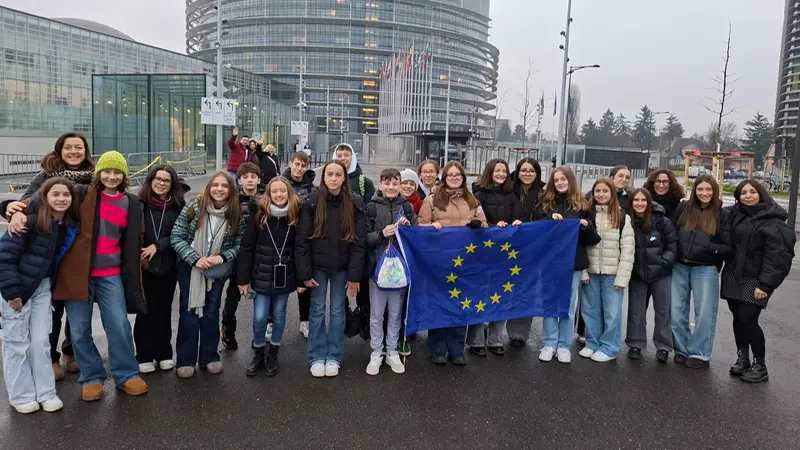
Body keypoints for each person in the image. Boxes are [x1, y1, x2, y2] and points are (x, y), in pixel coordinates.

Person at [7, 151, 149, 401]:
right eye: (107, 171)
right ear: (99, 173)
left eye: (117, 172)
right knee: (80, 328)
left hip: (111, 273)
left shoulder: (131, 203)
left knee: (119, 324)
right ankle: (92, 376)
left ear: (125, 175)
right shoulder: (82, 194)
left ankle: (126, 373)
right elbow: (44, 200)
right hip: (77, 272)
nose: (112, 176)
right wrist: (12, 210)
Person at [1, 132, 95, 380]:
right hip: (50, 254)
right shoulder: (45, 177)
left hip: (79, 255)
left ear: (86, 151)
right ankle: (51, 357)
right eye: (68, 147)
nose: (74, 151)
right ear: (59, 151)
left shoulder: (95, 178)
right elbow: (23, 205)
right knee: (53, 309)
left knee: (77, 308)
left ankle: (70, 351)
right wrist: (10, 209)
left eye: (79, 147)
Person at [0, 177, 80, 413]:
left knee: (40, 341)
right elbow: (4, 258)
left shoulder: (66, 224)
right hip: (17, 290)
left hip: (43, 287)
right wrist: (13, 293)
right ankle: (20, 394)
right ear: (44, 197)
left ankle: (45, 392)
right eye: (55, 194)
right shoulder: (28, 222)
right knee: (17, 343)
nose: (61, 199)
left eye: (66, 195)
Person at [295, 160, 367, 378]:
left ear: (344, 177)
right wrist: (303, 275)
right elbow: (302, 241)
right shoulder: (312, 202)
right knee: (316, 310)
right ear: (323, 177)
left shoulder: (354, 203)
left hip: (342, 268)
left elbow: (359, 242)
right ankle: (317, 356)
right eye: (329, 175)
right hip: (317, 268)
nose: (333, 179)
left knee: (337, 311)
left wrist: (354, 276)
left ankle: (334, 355)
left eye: (338, 174)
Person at [171, 172, 244, 378]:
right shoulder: (195, 206)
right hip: (190, 267)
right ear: (209, 187)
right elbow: (177, 236)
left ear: (231, 189)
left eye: (224, 186)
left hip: (216, 270)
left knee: (211, 311)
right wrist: (193, 257)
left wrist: (222, 257)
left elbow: (241, 244)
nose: (219, 189)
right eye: (215, 185)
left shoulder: (235, 212)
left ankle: (210, 356)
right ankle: (185, 360)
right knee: (189, 311)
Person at [721, 180, 795, 383]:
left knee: (749, 319)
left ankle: (760, 365)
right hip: (734, 275)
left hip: (756, 279)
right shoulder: (735, 214)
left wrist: (765, 285)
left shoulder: (773, 221)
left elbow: (778, 257)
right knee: (738, 317)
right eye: (743, 192)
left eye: (752, 192)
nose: (748, 195)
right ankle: (743, 358)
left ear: (761, 194)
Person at [418, 161, 488, 366]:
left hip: (466, 263)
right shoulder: (432, 200)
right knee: (439, 304)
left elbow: (485, 225)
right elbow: (420, 225)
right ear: (445, 178)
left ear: (463, 178)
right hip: (440, 262)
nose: (455, 178)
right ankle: (438, 348)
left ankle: (457, 349)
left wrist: (480, 226)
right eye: (451, 175)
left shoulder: (473, 201)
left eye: (458, 175)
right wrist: (432, 226)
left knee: (461, 306)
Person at [238, 177, 303, 377]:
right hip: (261, 275)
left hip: (285, 275)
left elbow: (301, 248)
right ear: (268, 194)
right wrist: (243, 279)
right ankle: (258, 352)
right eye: (274, 191)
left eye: (283, 191)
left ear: (289, 192)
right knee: (259, 318)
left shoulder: (296, 215)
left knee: (280, 316)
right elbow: (247, 247)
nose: (279, 194)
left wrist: (301, 279)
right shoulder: (259, 215)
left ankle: (273, 352)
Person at [536, 167, 600, 362]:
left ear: (571, 180)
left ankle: (564, 345)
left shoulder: (583, 205)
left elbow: (593, 238)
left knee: (568, 305)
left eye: (563, 179)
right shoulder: (546, 204)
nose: (560, 183)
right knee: (549, 304)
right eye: (556, 180)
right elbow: (537, 231)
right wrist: (549, 220)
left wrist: (585, 226)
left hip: (572, 263)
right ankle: (549, 343)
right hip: (550, 263)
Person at [671, 175, 731, 368]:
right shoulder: (683, 208)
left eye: (708, 189)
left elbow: (728, 246)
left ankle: (700, 353)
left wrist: (710, 248)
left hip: (705, 268)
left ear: (714, 191)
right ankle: (681, 349)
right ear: (694, 190)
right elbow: (671, 232)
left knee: (704, 312)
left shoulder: (723, 214)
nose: (704, 193)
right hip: (679, 266)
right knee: (676, 310)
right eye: (700, 189)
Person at [364, 168, 418, 375]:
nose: (391, 187)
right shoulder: (370, 208)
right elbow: (364, 238)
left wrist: (407, 228)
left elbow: (417, 236)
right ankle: (376, 351)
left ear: (400, 185)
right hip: (377, 270)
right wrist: (381, 234)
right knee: (377, 315)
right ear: (381, 185)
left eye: (395, 183)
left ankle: (392, 351)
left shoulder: (407, 207)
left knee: (395, 314)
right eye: (387, 183)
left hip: (400, 271)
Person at [134, 165, 187, 373]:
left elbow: (182, 234)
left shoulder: (178, 206)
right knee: (145, 311)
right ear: (150, 180)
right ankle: (144, 354)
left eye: (166, 180)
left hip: (168, 266)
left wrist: (159, 245)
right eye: (158, 179)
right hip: (144, 267)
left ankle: (164, 352)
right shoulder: (138, 204)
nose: (161, 183)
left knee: (164, 310)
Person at [467, 158, 522, 357]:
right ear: (489, 172)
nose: (500, 174)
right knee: (480, 296)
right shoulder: (478, 195)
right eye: (497, 171)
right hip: (483, 253)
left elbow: (519, 218)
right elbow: (474, 221)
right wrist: (491, 227)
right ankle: (476, 340)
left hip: (505, 254)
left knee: (502, 295)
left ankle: (495, 338)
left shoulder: (512, 195)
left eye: (504, 171)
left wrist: (516, 223)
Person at [579, 178, 635, 362]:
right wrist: (584, 272)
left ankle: (609, 348)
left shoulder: (622, 217)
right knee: (589, 310)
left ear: (612, 194)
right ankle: (592, 343)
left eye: (605, 191)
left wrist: (622, 278)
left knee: (612, 313)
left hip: (613, 275)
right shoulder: (587, 216)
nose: (601, 194)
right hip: (591, 272)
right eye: (598, 191)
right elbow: (580, 247)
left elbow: (628, 250)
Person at [625, 188, 677, 363]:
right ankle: (635, 343)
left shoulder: (662, 221)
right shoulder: (627, 221)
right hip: (637, 273)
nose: (640, 204)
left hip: (660, 273)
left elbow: (672, 245)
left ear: (649, 202)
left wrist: (664, 262)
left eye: (643, 200)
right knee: (636, 310)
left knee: (663, 310)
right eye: (636, 200)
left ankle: (663, 347)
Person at [221, 163, 263, 350]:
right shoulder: (233, 201)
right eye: (245, 177)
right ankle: (228, 330)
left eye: (253, 176)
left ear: (259, 179)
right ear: (239, 180)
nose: (249, 180)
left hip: (260, 254)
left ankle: (261, 335)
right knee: (233, 295)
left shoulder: (265, 199)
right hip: (237, 254)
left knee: (262, 296)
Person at [505, 157, 546, 347]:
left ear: (537, 173)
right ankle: (494, 326)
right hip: (507, 249)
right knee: (503, 289)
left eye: (531, 170)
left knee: (525, 290)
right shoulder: (508, 190)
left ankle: (518, 333)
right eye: (524, 170)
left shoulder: (545, 195)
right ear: (518, 172)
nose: (527, 174)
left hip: (532, 250)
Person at [334, 143, 375, 319]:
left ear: (353, 157)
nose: (343, 158)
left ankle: (364, 320)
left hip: (358, 240)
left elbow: (370, 211)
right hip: (336, 241)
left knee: (361, 283)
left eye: (346, 155)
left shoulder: (364, 182)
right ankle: (343, 319)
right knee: (338, 285)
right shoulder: (330, 180)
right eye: (339, 155)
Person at [282, 152, 317, 338]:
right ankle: (272, 322)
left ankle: (305, 320)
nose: (300, 168)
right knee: (280, 280)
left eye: (304, 165)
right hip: (282, 238)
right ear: (290, 163)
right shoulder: (280, 183)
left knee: (305, 281)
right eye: (297, 164)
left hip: (305, 238)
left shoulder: (312, 188)